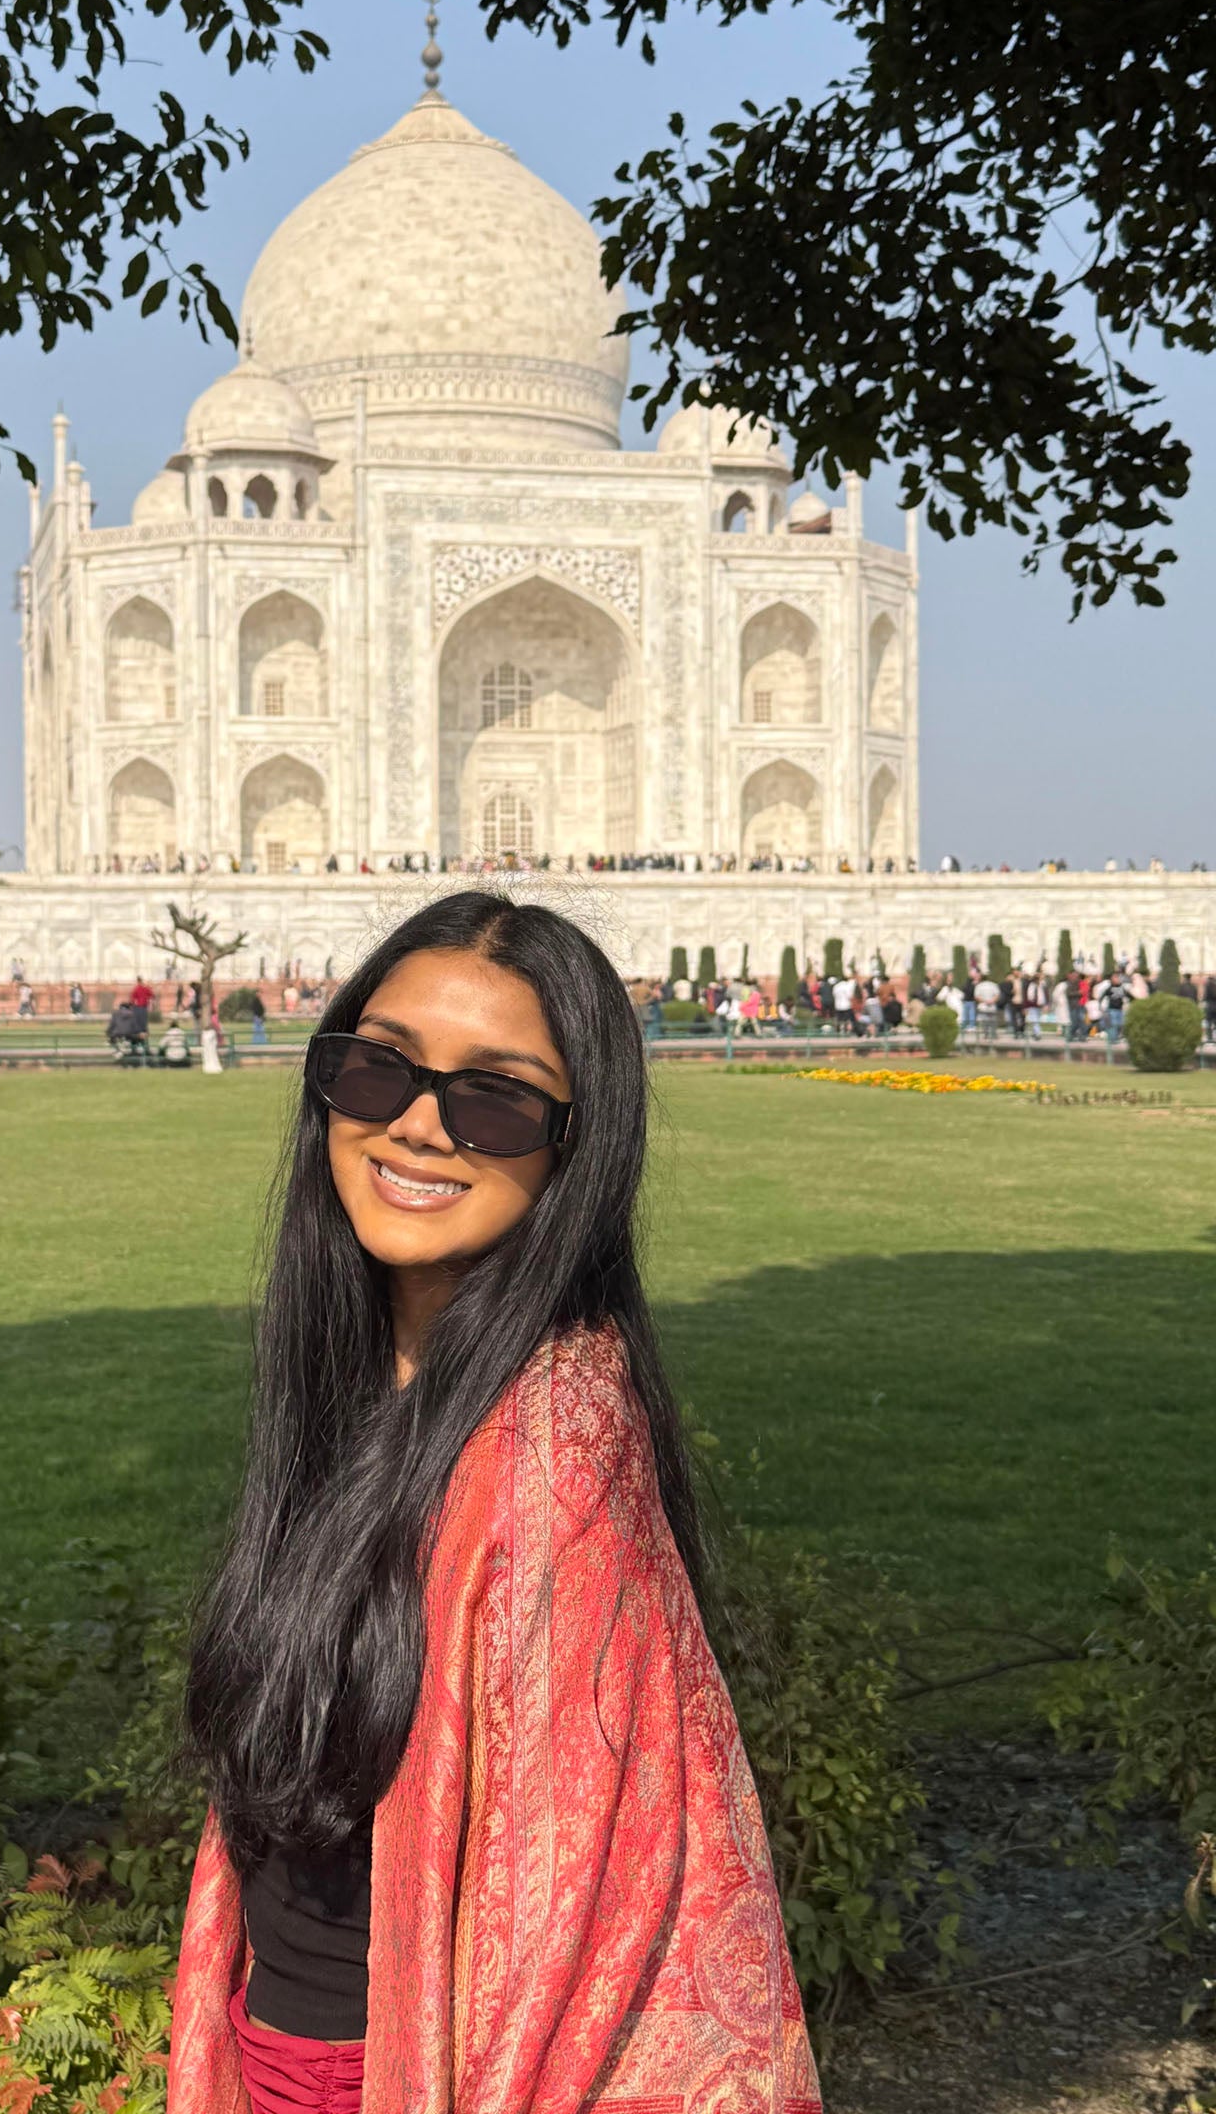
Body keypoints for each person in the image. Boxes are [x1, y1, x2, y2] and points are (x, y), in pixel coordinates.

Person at [171, 893, 818, 2114]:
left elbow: (572, 1913)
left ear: (576, 1145)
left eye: (495, 1097)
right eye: (376, 1069)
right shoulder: (374, 1381)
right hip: (294, 2059)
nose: (417, 1128)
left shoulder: (546, 1449)